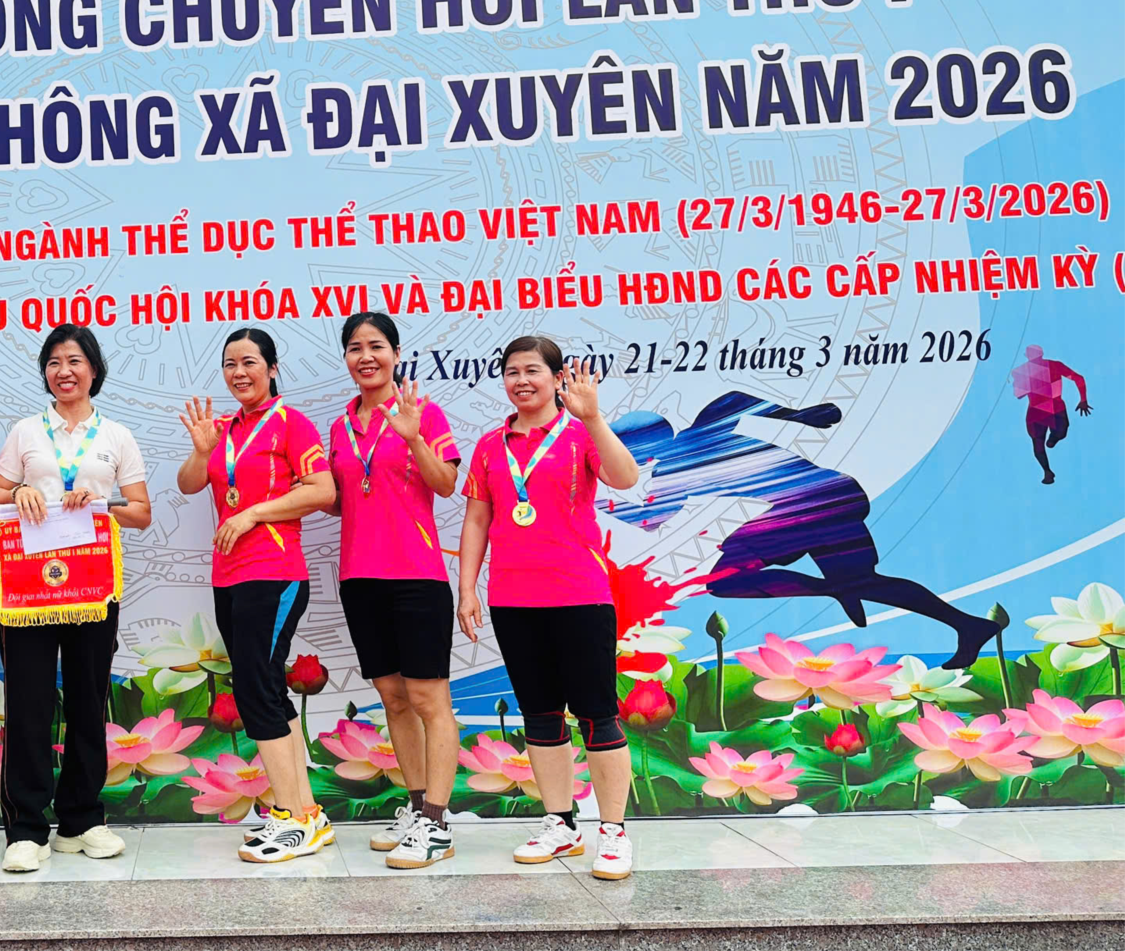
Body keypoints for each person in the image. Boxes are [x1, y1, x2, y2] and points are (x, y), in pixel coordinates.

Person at [613, 393, 999, 669]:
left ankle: (833, 589)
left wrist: (595, 497)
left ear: (639, 452)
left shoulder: (670, 471)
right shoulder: (703, 428)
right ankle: (968, 625)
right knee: (867, 583)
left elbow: (650, 520)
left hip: (804, 510)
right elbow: (733, 400)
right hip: (838, 493)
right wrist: (800, 415)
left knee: (724, 579)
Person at [456, 334, 639, 880]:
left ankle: (613, 831)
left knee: (596, 714)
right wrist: (466, 589)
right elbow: (477, 519)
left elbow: (625, 478)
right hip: (514, 598)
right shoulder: (490, 445)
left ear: (557, 378)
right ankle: (561, 823)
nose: (521, 381)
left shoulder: (581, 432)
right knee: (539, 713)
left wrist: (595, 417)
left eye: (532, 370)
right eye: (512, 371)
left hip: (579, 594)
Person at [0, 325, 153, 873]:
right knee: (29, 704)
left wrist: (102, 504)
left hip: (92, 586)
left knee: (88, 701)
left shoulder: (116, 436)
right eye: (54, 362)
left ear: (94, 370)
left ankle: (81, 820)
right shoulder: (26, 431)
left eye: (75, 360)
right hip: (28, 588)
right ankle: (26, 830)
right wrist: (19, 491)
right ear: (45, 372)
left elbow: (141, 512)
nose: (64, 371)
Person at [177, 326, 336, 864]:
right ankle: (307, 813)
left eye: (249, 362)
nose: (239, 372)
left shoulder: (292, 423)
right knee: (265, 687)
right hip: (229, 576)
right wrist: (201, 451)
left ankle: (291, 818)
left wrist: (251, 514)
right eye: (230, 363)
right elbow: (190, 484)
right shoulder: (222, 429)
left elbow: (323, 490)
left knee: (256, 690)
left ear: (271, 368)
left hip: (274, 572)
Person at [324, 312, 461, 870]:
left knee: (430, 699)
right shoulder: (339, 426)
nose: (366, 357)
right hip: (360, 577)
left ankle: (437, 823)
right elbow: (340, 498)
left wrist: (414, 439)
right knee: (394, 698)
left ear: (396, 354)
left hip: (416, 576)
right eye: (355, 348)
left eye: (376, 346)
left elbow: (446, 484)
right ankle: (415, 806)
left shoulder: (422, 412)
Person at [1012, 344, 1091, 485]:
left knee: (1060, 433)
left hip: (1055, 408)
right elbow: (1018, 394)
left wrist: (1083, 399)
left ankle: (1053, 439)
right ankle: (1047, 471)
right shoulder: (1022, 371)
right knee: (1038, 444)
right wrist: (1023, 383)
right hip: (1036, 412)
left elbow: (1078, 378)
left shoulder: (1054, 366)